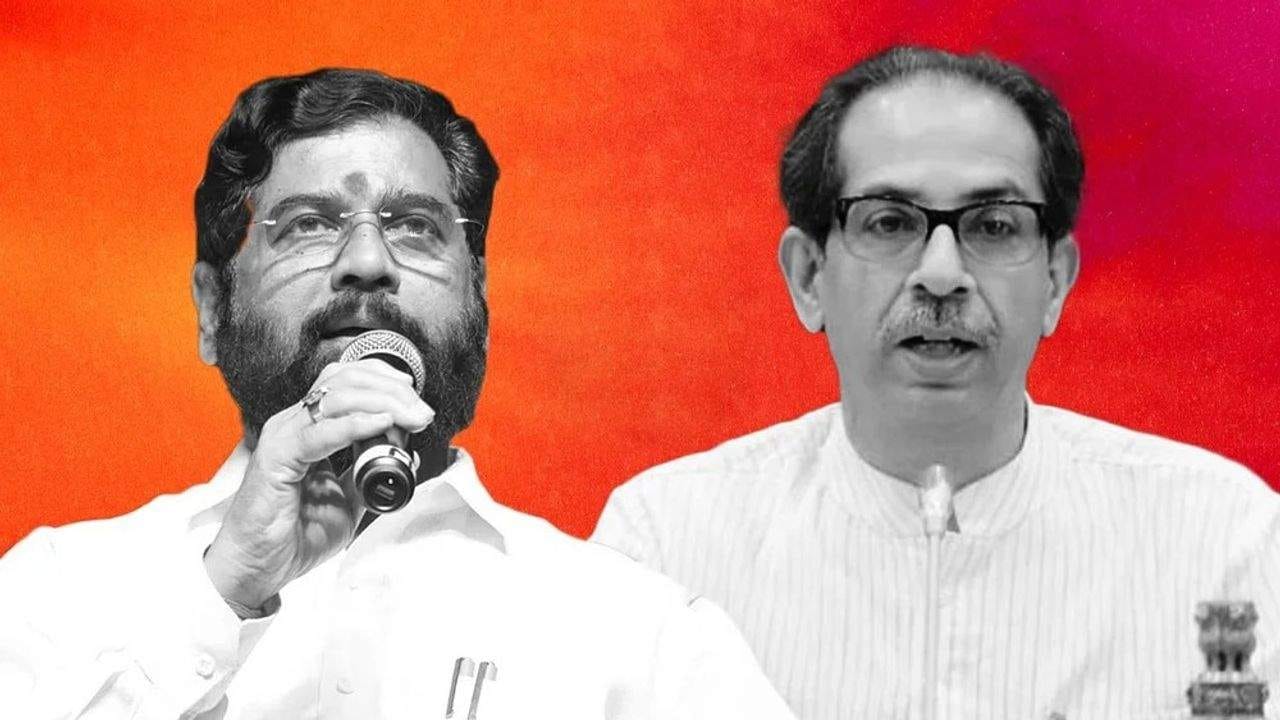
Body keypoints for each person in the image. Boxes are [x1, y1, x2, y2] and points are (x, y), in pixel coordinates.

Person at [0, 68, 795, 720]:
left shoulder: (642, 637)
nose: (369, 261)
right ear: (213, 310)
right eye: (308, 224)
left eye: (415, 226)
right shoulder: (57, 590)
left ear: (478, 303)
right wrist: (225, 591)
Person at [592, 45, 1280, 719]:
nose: (943, 274)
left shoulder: (1219, 541)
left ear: (1054, 281)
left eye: (995, 226)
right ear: (809, 276)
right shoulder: (667, 546)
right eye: (890, 222)